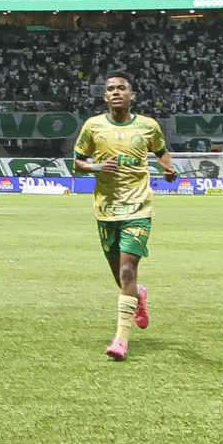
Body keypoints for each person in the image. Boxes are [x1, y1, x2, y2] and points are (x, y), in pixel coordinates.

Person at [70, 73, 177, 361]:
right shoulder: (93, 127)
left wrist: (169, 170)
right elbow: (77, 162)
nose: (116, 92)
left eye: (121, 88)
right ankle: (138, 295)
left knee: (128, 270)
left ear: (132, 95)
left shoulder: (148, 126)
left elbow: (162, 152)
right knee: (120, 276)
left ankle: (120, 340)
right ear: (105, 96)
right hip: (106, 209)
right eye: (110, 89)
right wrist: (96, 168)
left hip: (138, 208)